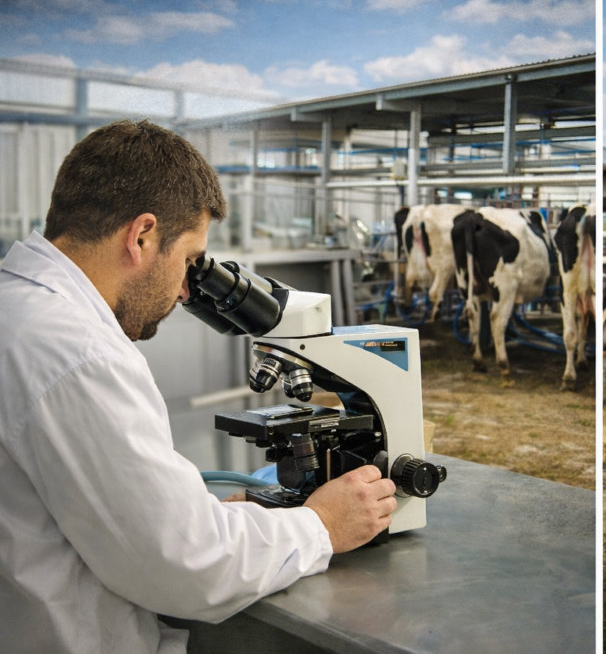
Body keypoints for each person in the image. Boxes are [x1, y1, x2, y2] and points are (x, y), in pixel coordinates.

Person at [0, 120, 399, 654]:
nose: (190, 288)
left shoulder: (19, 309)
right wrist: (322, 525)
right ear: (141, 236)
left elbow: (109, 514)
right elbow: (184, 565)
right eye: (189, 259)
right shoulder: (78, 353)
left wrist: (217, 519)